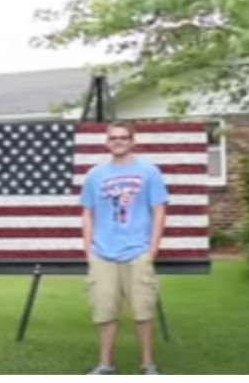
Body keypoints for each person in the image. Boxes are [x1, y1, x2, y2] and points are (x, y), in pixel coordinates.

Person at [79, 120, 168, 375]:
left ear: (132, 141)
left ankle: (148, 364)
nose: (118, 141)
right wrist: (89, 250)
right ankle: (105, 365)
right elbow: (87, 213)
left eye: (123, 137)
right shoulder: (95, 175)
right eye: (113, 137)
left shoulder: (149, 172)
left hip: (137, 252)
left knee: (143, 310)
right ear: (107, 142)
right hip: (103, 254)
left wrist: (151, 249)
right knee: (104, 310)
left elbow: (159, 211)